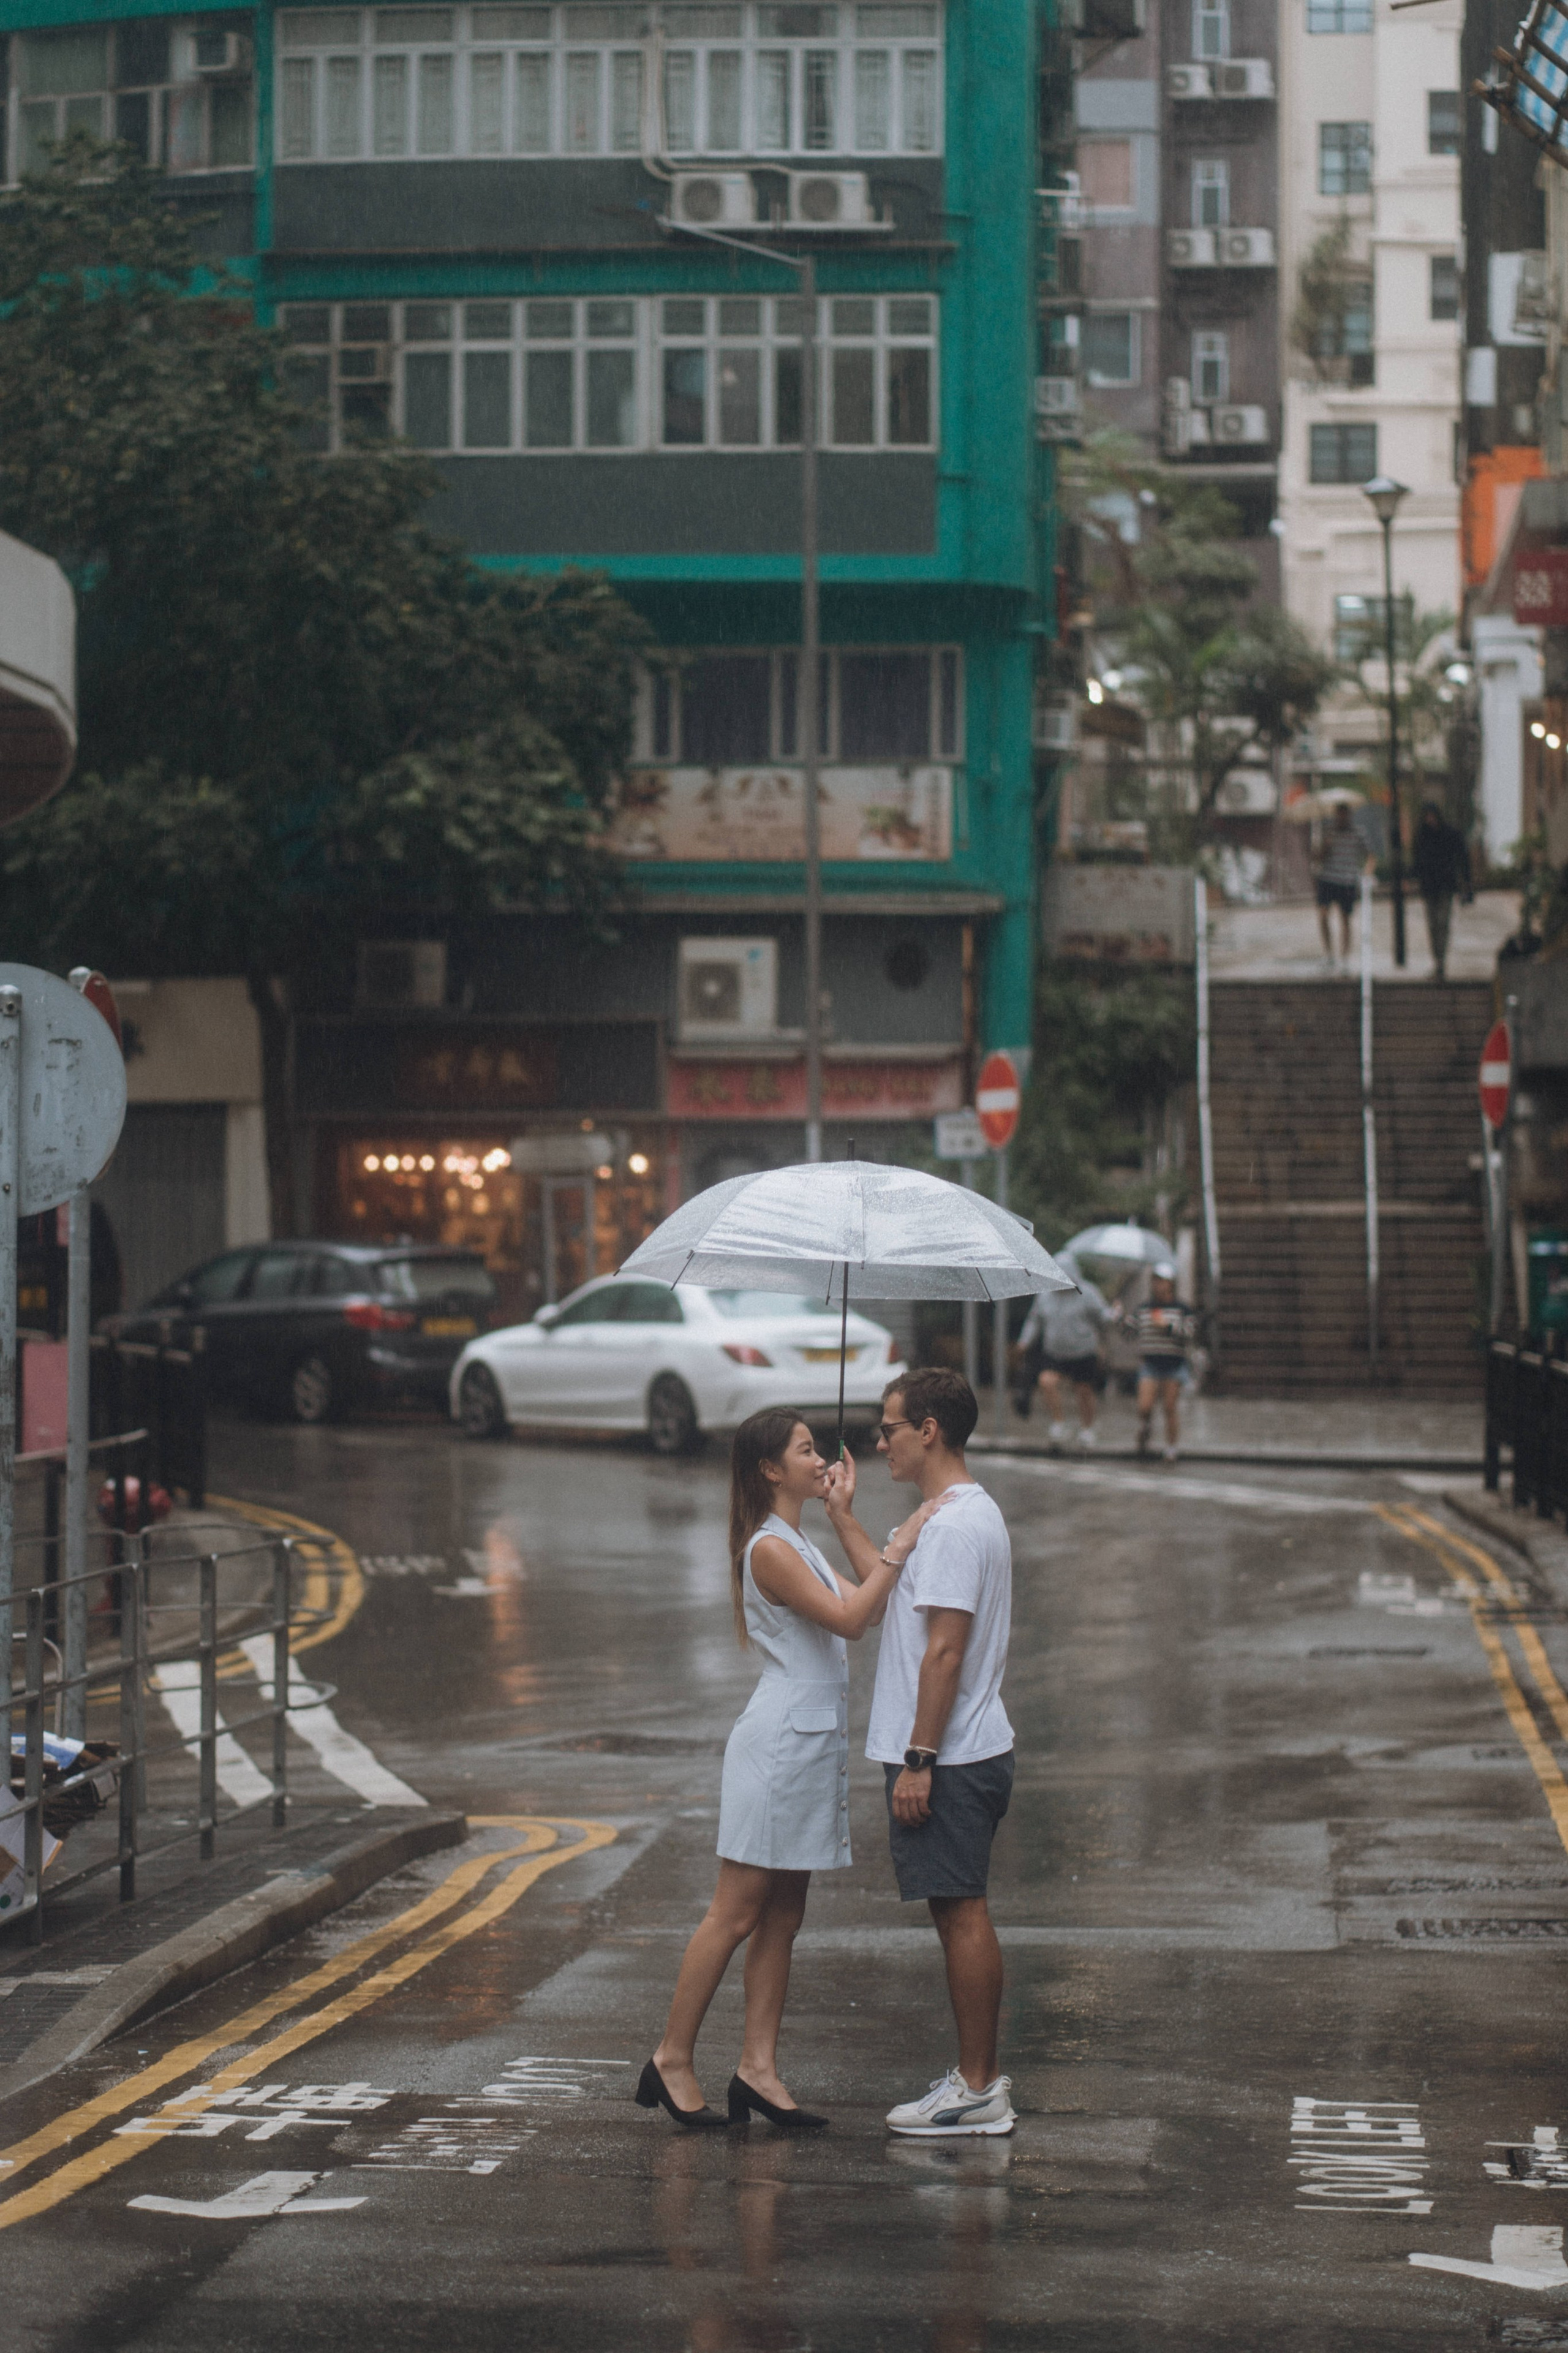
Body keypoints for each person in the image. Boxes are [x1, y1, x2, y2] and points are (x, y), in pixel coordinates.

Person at [638, 1406, 944, 2132]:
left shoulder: (799, 1541)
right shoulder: (769, 1549)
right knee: (736, 1911)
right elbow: (850, 1618)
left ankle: (758, 2070)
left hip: (805, 1749)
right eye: (807, 1451)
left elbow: (874, 1599)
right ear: (771, 1469)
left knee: (783, 1916)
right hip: (777, 1750)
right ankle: (671, 2058)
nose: (822, 1459)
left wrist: (846, 1518)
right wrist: (904, 1537)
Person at [859, 1365, 1017, 2138]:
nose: (878, 1440)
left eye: (888, 1427)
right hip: (957, 1750)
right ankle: (974, 2079)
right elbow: (882, 1595)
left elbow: (944, 1653)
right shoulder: (948, 1513)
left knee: (961, 1914)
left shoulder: (952, 1526)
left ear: (928, 1430)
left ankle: (979, 2087)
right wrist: (841, 1514)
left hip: (949, 1757)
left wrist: (919, 1758)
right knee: (956, 1910)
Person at [1015, 1252, 1114, 1449]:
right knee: (1047, 1382)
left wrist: (1114, 1316)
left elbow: (1103, 1316)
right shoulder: (1045, 1295)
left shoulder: (1087, 1293)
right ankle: (1059, 1423)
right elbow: (1036, 1320)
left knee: (1084, 1391)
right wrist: (1025, 1341)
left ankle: (1088, 1427)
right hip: (1055, 1352)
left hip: (1083, 1351)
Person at [1133, 1263, 1197, 1464]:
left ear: (1170, 1284)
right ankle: (1145, 1426)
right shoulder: (1145, 1308)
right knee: (1145, 1405)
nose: (1158, 1285)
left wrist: (1168, 1326)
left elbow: (1191, 1333)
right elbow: (1131, 1330)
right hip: (1150, 1363)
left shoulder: (1182, 1309)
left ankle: (1171, 1447)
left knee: (1170, 1407)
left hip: (1173, 1364)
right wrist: (1117, 1317)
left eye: (1162, 1281)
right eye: (1156, 1281)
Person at [1411, 799, 1472, 982]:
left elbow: (1462, 858)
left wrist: (1465, 883)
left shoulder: (1449, 834)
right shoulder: (1422, 836)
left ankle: (1441, 961)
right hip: (1430, 887)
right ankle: (1437, 960)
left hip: (1445, 886)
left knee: (1442, 923)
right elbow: (1417, 860)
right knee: (1433, 925)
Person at [1314, 800, 1370, 969]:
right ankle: (1329, 954)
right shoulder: (1329, 832)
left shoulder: (1358, 833)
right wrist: (1326, 845)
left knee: (1345, 919)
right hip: (1328, 878)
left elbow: (1370, 855)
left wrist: (1366, 872)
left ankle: (1345, 956)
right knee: (1323, 915)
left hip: (1347, 881)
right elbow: (1318, 857)